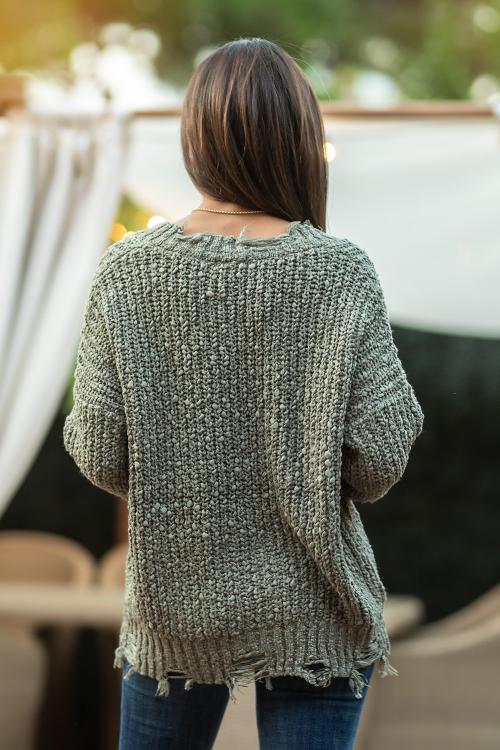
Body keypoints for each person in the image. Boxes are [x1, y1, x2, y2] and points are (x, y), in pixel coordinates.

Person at [63, 37, 424, 750]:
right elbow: (380, 457)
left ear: (194, 137)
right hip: (315, 610)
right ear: (300, 138)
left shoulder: (128, 272)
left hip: (174, 612)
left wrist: (177, 470)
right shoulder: (338, 272)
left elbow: (100, 451)